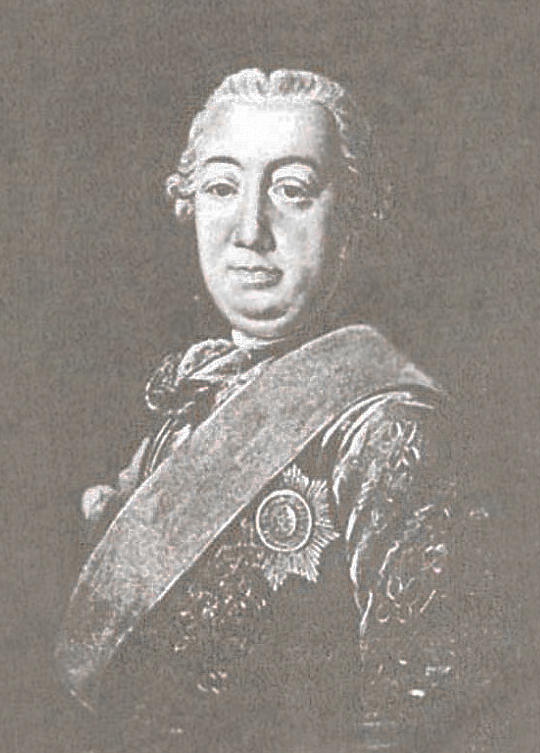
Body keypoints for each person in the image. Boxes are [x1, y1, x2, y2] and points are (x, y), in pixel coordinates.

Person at [56, 69, 459, 753]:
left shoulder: (388, 430)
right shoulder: (191, 400)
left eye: (292, 190)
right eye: (221, 187)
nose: (249, 230)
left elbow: (425, 719)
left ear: (352, 214)